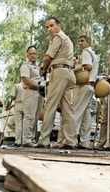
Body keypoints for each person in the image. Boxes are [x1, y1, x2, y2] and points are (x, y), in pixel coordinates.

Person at [36, 16, 77, 149]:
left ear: (59, 25)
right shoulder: (68, 39)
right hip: (69, 73)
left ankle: (44, 140)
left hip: (59, 72)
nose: (50, 29)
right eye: (47, 27)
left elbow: (48, 57)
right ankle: (69, 140)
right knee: (68, 109)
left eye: (52, 25)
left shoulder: (58, 37)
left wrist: (42, 69)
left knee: (50, 105)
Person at [72, 35, 99, 149]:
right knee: (86, 116)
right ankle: (85, 141)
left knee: (76, 112)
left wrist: (74, 68)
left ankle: (71, 140)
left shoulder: (86, 52)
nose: (80, 43)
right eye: (79, 41)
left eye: (82, 41)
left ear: (88, 42)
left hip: (84, 85)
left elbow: (87, 66)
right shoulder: (94, 54)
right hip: (90, 86)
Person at [20, 45, 42, 147]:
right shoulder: (25, 66)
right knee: (29, 116)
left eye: (35, 53)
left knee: (36, 117)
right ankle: (26, 140)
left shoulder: (38, 67)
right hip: (30, 92)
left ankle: (32, 139)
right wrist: (38, 86)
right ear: (27, 55)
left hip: (39, 93)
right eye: (31, 53)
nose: (33, 55)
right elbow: (26, 80)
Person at [13, 82, 24, 147]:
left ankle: (18, 141)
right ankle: (24, 141)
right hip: (26, 105)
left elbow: (13, 96)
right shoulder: (28, 86)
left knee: (18, 124)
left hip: (18, 104)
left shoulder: (17, 85)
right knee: (26, 124)